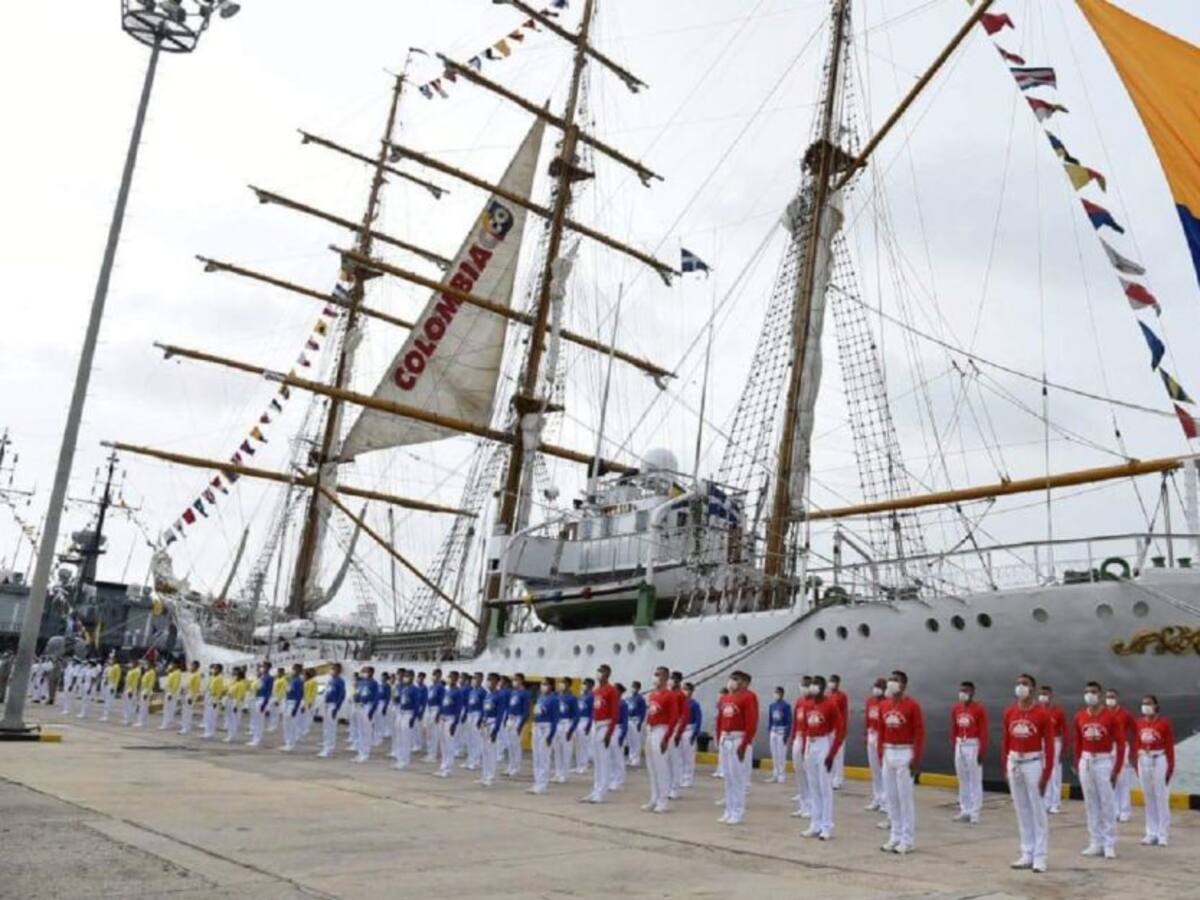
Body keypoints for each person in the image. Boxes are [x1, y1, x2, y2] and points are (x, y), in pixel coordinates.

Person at [1002, 673, 1054, 873]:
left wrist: (1046, 774)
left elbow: (1049, 746)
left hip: (1033, 763)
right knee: (1021, 809)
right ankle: (1027, 852)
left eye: (1024, 684)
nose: (1020, 687)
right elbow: (1006, 740)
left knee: (1037, 810)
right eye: (1018, 683)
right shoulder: (1010, 712)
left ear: (1032, 689)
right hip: (1014, 761)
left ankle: (1040, 856)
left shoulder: (1041, 714)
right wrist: (1005, 766)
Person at [1074, 680, 1123, 859]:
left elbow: (1120, 743)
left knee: (1107, 803)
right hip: (1086, 761)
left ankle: (1109, 843)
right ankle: (1095, 842)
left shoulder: (1110, 717)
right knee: (1090, 803)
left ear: (1100, 694)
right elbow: (1078, 741)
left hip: (1104, 761)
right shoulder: (1080, 716)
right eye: (1087, 692)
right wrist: (1078, 761)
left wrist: (1116, 769)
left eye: (1094, 692)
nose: (1090, 695)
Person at [879, 670, 924, 854]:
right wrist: (881, 752)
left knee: (905, 799)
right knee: (891, 797)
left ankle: (908, 839)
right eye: (890, 679)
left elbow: (919, 733)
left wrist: (916, 758)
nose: (891, 683)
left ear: (904, 685)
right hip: (889, 751)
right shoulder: (884, 705)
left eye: (895, 680)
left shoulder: (912, 706)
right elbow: (882, 729)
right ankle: (894, 836)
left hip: (905, 751)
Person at [801, 675, 844, 840]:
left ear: (824, 687)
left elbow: (840, 730)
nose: (813, 687)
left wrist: (832, 754)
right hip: (810, 745)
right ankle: (815, 824)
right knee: (813, 787)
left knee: (824, 787)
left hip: (823, 743)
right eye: (812, 684)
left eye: (817, 684)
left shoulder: (830, 704)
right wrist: (805, 750)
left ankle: (826, 826)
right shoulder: (807, 705)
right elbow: (806, 728)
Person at [717, 670, 758, 825]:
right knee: (728, 777)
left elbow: (751, 723)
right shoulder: (726, 698)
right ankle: (728, 810)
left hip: (738, 738)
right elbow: (721, 719)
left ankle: (738, 812)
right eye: (731, 678)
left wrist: (744, 743)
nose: (732, 682)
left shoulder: (748, 697)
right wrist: (720, 737)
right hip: (726, 738)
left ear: (743, 682)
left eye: (736, 679)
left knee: (737, 778)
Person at [1134, 694, 1174, 847]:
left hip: (1159, 759)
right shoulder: (1139, 723)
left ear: (1156, 705)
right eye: (1144, 703)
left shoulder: (1164, 723)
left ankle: (1163, 834)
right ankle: (1151, 832)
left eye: (1149, 703)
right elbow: (1137, 743)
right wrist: (1137, 764)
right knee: (1148, 797)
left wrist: (1170, 768)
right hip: (1144, 759)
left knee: (1161, 796)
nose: (1145, 706)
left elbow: (1169, 746)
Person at [951, 681, 988, 824]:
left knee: (974, 779)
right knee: (962, 778)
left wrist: (982, 750)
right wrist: (955, 744)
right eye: (961, 690)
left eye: (966, 691)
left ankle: (975, 812)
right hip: (960, 744)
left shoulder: (979, 709)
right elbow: (954, 727)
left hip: (973, 744)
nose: (962, 693)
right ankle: (964, 809)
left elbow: (983, 731)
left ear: (972, 692)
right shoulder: (956, 708)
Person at [642, 667, 678, 813]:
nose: (655, 677)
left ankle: (663, 800)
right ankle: (654, 797)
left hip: (661, 730)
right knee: (651, 767)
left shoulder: (669, 696)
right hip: (650, 730)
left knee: (661, 767)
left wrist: (666, 738)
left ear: (665, 677)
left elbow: (673, 717)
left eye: (658, 675)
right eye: (654, 674)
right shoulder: (652, 695)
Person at [582, 664, 620, 804]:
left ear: (608, 674)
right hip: (595, 725)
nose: (599, 673)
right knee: (596, 760)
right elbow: (594, 710)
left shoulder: (611, 690)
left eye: (602, 672)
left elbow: (615, 713)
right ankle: (595, 789)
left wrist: (609, 733)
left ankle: (601, 792)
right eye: (598, 671)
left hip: (605, 725)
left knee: (603, 760)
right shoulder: (597, 690)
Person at [1106, 688, 1137, 822]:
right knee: (1109, 780)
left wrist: (1132, 749)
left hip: (1121, 747)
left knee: (1122, 780)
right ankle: (1114, 810)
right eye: (1108, 697)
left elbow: (1135, 730)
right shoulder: (1103, 713)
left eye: (1112, 696)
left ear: (1117, 698)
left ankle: (1125, 810)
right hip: (1106, 749)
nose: (1110, 699)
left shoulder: (1125, 714)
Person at [1038, 685, 1068, 814]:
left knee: (1054, 773)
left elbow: (1065, 730)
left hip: (1055, 742)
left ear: (1051, 696)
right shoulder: (1037, 711)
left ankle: (1055, 803)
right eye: (1041, 694)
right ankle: (1045, 802)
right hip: (1040, 743)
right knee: (1043, 772)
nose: (1043, 696)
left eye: (1046, 694)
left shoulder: (1058, 712)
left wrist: (1063, 750)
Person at [529, 679, 560, 794]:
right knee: (536, 756)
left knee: (544, 757)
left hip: (547, 727)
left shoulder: (554, 699)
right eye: (542, 684)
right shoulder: (540, 697)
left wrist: (551, 735)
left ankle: (542, 784)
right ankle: (536, 782)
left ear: (551, 686)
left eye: (546, 684)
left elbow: (555, 718)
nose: (543, 686)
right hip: (537, 726)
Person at [790, 676, 813, 818]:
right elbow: (796, 721)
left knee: (808, 774)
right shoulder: (800, 701)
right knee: (799, 772)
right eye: (802, 685)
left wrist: (805, 743)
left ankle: (811, 806)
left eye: (806, 685)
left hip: (808, 739)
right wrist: (793, 737)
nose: (803, 687)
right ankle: (803, 805)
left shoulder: (812, 703)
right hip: (798, 737)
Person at [864, 677, 887, 813]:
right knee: (875, 770)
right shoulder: (870, 702)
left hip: (881, 736)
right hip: (871, 735)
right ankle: (876, 799)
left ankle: (885, 801)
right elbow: (867, 719)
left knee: (883, 769)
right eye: (875, 686)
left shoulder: (886, 703)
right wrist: (866, 735)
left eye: (879, 686)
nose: (876, 689)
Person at [480, 673, 505, 787]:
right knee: (485, 751)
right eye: (488, 679)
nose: (488, 681)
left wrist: (496, 730)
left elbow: (500, 715)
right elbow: (484, 711)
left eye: (491, 680)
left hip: (493, 723)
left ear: (496, 682)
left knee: (491, 751)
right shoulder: (488, 695)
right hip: (485, 724)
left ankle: (490, 776)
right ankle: (484, 775)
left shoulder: (499, 696)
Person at [437, 672, 464, 777]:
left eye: (452, 678)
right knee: (443, 744)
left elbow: (458, 709)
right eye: (449, 677)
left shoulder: (458, 692)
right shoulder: (446, 690)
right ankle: (443, 766)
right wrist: (439, 714)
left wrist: (455, 723)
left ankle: (449, 768)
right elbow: (442, 704)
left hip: (451, 719)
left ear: (456, 679)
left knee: (449, 744)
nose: (450, 679)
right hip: (443, 718)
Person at [504, 673, 531, 777]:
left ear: (521, 681)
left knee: (516, 745)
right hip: (510, 718)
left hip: (518, 719)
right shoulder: (513, 692)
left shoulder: (525, 693)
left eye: (516, 680)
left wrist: (521, 724)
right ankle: (510, 765)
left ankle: (516, 767)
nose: (514, 681)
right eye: (513, 679)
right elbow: (509, 707)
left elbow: (526, 710)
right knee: (510, 744)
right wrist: (506, 719)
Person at [667, 671, 689, 799]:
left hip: (675, 727)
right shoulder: (668, 694)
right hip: (666, 727)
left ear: (678, 681)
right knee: (667, 760)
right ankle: (667, 785)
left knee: (675, 759)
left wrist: (679, 733)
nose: (671, 681)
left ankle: (674, 788)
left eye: (673, 679)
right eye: (670, 678)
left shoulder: (681, 695)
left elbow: (684, 715)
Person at [319, 663, 346, 758]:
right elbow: (327, 692)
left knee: (331, 728)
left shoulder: (340, 681)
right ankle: (325, 747)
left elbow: (342, 695)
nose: (331, 670)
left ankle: (329, 749)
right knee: (326, 727)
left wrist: (336, 708)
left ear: (338, 671)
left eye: (333, 669)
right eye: (331, 669)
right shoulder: (331, 680)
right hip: (327, 704)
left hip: (333, 705)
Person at [354, 666, 380, 763]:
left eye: (366, 671)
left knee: (366, 731)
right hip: (359, 706)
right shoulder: (361, 682)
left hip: (368, 706)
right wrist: (356, 697)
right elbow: (357, 693)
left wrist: (372, 710)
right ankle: (360, 752)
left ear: (371, 673)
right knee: (360, 730)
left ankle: (365, 753)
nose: (364, 673)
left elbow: (376, 698)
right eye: (363, 671)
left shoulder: (374, 683)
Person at [555, 677, 578, 782]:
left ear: (569, 685)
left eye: (564, 683)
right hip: (557, 724)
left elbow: (576, 716)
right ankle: (558, 772)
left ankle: (564, 774)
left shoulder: (572, 698)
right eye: (560, 682)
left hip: (566, 723)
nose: (561, 685)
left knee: (566, 750)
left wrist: (571, 729)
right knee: (557, 750)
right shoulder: (557, 696)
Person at [767, 686, 792, 784]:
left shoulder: (786, 706)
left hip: (782, 732)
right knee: (774, 754)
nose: (776, 694)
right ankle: (775, 774)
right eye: (775, 692)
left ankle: (782, 775)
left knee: (781, 754)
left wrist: (787, 734)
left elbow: (789, 721)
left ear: (782, 694)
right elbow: (770, 719)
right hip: (773, 731)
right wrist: (770, 730)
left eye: (778, 692)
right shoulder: (772, 705)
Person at [828, 674, 849, 789]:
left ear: (838, 683)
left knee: (838, 755)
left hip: (838, 729)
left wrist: (843, 730)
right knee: (830, 754)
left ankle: (838, 780)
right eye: (830, 681)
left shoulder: (842, 696)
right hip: (829, 730)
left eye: (833, 681)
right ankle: (830, 778)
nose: (831, 683)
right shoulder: (828, 696)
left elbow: (844, 713)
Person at [680, 683, 702, 788]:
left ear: (691, 691)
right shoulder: (679, 703)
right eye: (684, 689)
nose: (685, 691)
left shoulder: (694, 704)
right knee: (679, 756)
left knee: (688, 757)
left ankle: (688, 778)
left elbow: (699, 720)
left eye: (687, 689)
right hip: (679, 730)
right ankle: (679, 777)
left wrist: (695, 733)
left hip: (689, 730)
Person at [610, 683, 630, 792]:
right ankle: (612, 779)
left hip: (618, 729)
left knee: (618, 756)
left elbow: (625, 721)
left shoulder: (622, 704)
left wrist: (622, 734)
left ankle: (619, 781)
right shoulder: (611, 703)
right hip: (610, 728)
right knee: (611, 756)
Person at [462, 672, 485, 770]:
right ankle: (470, 759)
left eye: (476, 678)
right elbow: (468, 704)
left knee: (477, 739)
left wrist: (480, 719)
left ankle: (477, 761)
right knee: (469, 739)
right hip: (470, 714)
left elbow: (484, 707)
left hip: (477, 714)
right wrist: (465, 715)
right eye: (473, 678)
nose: (474, 680)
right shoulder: (472, 691)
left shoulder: (483, 692)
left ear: (481, 679)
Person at [249, 662, 273, 747]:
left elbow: (269, 691)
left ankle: (257, 739)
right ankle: (254, 738)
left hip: (262, 699)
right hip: (256, 698)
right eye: (262, 666)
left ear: (268, 668)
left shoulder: (269, 678)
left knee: (259, 720)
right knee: (255, 720)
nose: (263, 668)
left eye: (264, 667)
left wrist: (265, 703)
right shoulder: (261, 677)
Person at [282, 663, 305, 752]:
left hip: (293, 702)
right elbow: (287, 690)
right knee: (286, 723)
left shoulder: (299, 681)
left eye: (295, 669)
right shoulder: (291, 679)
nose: (293, 671)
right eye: (293, 668)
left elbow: (299, 695)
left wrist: (296, 708)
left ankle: (291, 743)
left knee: (292, 724)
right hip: (287, 701)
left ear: (299, 671)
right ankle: (287, 742)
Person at [424, 668, 445, 763]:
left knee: (435, 733)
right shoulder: (431, 687)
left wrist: (439, 714)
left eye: (436, 675)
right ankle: (430, 753)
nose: (434, 677)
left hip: (436, 710)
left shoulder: (441, 687)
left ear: (440, 676)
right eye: (433, 675)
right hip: (429, 709)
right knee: (429, 733)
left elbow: (442, 702)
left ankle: (434, 754)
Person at [574, 678, 595, 773]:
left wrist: (589, 724)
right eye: (583, 684)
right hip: (578, 720)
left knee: (584, 744)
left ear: (590, 686)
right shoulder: (581, 696)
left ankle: (584, 764)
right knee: (578, 744)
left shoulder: (592, 696)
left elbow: (592, 712)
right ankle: (578, 764)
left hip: (586, 720)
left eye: (585, 684)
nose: (583, 685)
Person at [625, 681, 647, 767]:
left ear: (638, 688)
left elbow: (643, 712)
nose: (633, 688)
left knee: (636, 741)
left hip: (636, 721)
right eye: (633, 686)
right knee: (630, 740)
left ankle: (636, 759)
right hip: (629, 720)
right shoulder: (629, 698)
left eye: (635, 687)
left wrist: (640, 722)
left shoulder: (640, 699)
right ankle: (630, 758)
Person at [225, 667, 249, 742]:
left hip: (236, 701)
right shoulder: (235, 682)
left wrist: (236, 705)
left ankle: (232, 736)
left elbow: (239, 695)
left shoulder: (241, 684)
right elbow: (229, 689)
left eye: (237, 675)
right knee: (230, 719)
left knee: (234, 720)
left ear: (240, 676)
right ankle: (229, 735)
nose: (235, 676)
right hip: (230, 699)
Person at [203, 664, 226, 739]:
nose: (214, 670)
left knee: (212, 716)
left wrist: (216, 700)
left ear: (219, 670)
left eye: (216, 668)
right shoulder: (212, 677)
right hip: (209, 696)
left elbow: (219, 691)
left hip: (214, 698)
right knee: (208, 715)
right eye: (214, 668)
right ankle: (207, 731)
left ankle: (211, 732)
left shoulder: (219, 679)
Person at [180, 661, 203, 734]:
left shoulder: (197, 675)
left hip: (190, 694)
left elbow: (196, 687)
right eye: (191, 665)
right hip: (185, 693)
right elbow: (186, 683)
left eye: (193, 666)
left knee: (188, 712)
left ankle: (187, 728)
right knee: (184, 711)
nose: (191, 667)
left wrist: (192, 697)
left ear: (197, 667)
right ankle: (184, 726)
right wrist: (183, 689)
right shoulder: (190, 674)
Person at [160, 660, 183, 730]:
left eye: (172, 664)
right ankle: (167, 722)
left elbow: (176, 684)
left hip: (172, 692)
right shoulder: (173, 672)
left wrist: (171, 693)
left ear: (176, 665)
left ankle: (166, 724)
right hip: (168, 690)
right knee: (167, 708)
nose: (171, 665)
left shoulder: (177, 673)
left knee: (169, 708)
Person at [712, 687, 729, 779]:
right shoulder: (719, 704)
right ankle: (719, 769)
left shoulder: (726, 704)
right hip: (718, 728)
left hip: (723, 729)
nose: (720, 696)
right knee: (720, 751)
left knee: (724, 752)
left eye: (722, 693)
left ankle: (724, 770)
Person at [100, 654, 122, 722]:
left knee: (109, 700)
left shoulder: (117, 667)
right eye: (110, 658)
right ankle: (104, 714)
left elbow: (117, 678)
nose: (110, 660)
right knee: (106, 699)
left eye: (112, 658)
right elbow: (108, 675)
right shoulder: (111, 667)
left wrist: (114, 686)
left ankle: (106, 716)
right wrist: (106, 681)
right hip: (108, 683)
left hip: (112, 684)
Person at [136, 659, 157, 728]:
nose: (146, 665)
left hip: (146, 690)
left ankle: (142, 722)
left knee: (143, 707)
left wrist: (147, 692)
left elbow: (151, 683)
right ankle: (142, 721)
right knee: (142, 706)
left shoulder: (152, 672)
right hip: (143, 689)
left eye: (147, 664)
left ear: (151, 665)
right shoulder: (147, 672)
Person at [269, 666, 288, 733]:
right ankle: (272, 725)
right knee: (272, 712)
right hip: (273, 697)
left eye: (280, 672)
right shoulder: (277, 679)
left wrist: (278, 700)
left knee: (278, 712)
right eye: (278, 672)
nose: (279, 673)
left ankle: (275, 726)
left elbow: (282, 690)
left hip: (279, 698)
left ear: (283, 672)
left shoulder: (283, 680)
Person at [302, 668, 319, 739]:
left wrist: (310, 702)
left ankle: (307, 728)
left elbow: (313, 692)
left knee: (308, 715)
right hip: (305, 700)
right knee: (305, 715)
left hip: (309, 701)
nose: (304, 677)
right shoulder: (306, 682)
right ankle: (304, 728)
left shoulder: (313, 682)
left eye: (305, 675)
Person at [122, 661, 140, 725]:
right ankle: (126, 718)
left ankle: (129, 719)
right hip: (127, 688)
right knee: (126, 704)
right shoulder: (130, 671)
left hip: (131, 689)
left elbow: (134, 682)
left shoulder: (135, 672)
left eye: (133, 663)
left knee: (130, 704)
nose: (131, 665)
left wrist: (131, 691)